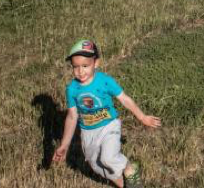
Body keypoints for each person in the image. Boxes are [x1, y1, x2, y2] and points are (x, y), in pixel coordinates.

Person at [53, 39, 161, 188]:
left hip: (109, 125)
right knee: (96, 165)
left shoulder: (105, 81)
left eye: (85, 65)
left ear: (96, 63)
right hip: (88, 132)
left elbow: (124, 99)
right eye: (75, 67)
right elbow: (72, 116)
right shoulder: (72, 89)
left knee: (108, 159)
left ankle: (130, 168)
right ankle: (125, 185)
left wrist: (142, 117)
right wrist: (64, 145)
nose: (80, 71)